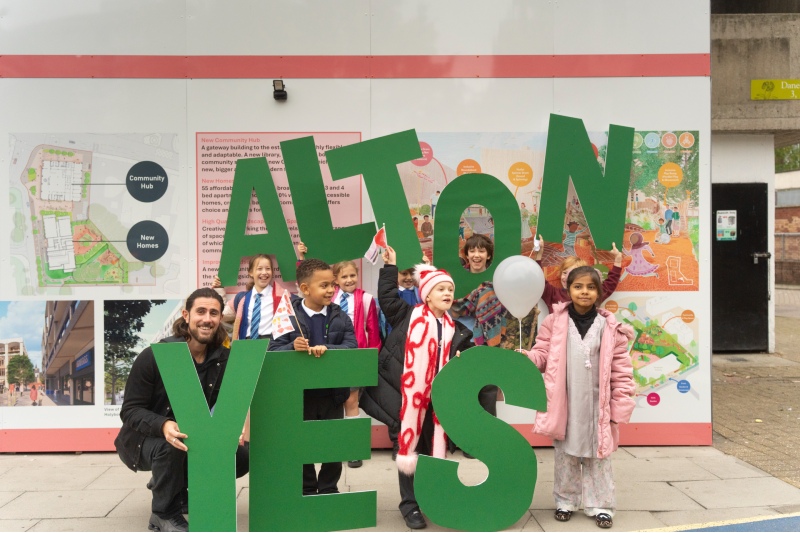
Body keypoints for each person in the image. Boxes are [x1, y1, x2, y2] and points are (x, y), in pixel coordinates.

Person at [115, 288, 249, 533]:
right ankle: (163, 513)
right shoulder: (154, 356)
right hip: (144, 441)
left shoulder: (224, 359)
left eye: (214, 313)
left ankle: (176, 486)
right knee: (172, 445)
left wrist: (235, 429)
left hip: (193, 435)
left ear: (220, 318)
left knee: (242, 456)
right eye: (200, 311)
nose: (207, 319)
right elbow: (131, 411)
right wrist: (164, 425)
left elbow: (232, 403)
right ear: (186, 315)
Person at [360, 246, 473, 530]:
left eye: (450, 289)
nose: (447, 293)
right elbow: (386, 297)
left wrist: (461, 359)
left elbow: (468, 363)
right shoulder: (408, 315)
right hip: (404, 398)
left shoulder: (457, 330)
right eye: (441, 289)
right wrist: (390, 266)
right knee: (407, 448)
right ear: (426, 294)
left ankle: (433, 498)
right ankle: (410, 506)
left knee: (433, 450)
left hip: (438, 404)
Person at [520, 266, 635, 529]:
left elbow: (622, 370)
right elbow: (542, 354)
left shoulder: (610, 327)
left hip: (598, 405)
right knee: (566, 455)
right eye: (578, 286)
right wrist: (528, 357)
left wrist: (620, 405)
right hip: (566, 402)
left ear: (598, 292)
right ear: (569, 290)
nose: (584, 292)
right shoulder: (554, 322)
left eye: (590, 287)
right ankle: (565, 501)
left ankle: (601, 505)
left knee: (599, 455)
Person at [268, 258, 357, 496]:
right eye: (324, 285)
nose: (331, 290)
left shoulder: (341, 316)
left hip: (332, 395)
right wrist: (291, 348)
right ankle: (306, 488)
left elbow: (351, 346)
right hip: (301, 397)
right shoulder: (287, 316)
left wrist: (328, 349)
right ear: (305, 289)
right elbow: (273, 350)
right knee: (301, 443)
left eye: (332, 285)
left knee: (332, 444)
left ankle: (329, 489)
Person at [331, 260, 382, 468]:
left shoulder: (367, 299)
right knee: (331, 404)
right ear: (336, 280)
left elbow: (373, 332)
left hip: (355, 356)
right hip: (332, 356)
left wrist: (371, 359)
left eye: (352, 275)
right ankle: (333, 448)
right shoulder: (329, 296)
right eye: (344, 277)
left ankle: (353, 450)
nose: (349, 280)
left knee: (352, 401)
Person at [535, 235, 623, 313]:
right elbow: (538, 280)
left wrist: (618, 260)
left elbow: (610, 284)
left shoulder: (590, 294)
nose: (567, 277)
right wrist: (539, 254)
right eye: (565, 272)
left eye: (572, 273)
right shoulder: (553, 294)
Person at [212, 253, 288, 342]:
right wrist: (219, 290)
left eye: (268, 269)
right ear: (251, 272)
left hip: (271, 346)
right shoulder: (242, 299)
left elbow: (302, 304)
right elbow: (222, 315)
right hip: (246, 346)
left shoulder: (282, 296)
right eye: (259, 269)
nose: (264, 272)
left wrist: (301, 260)